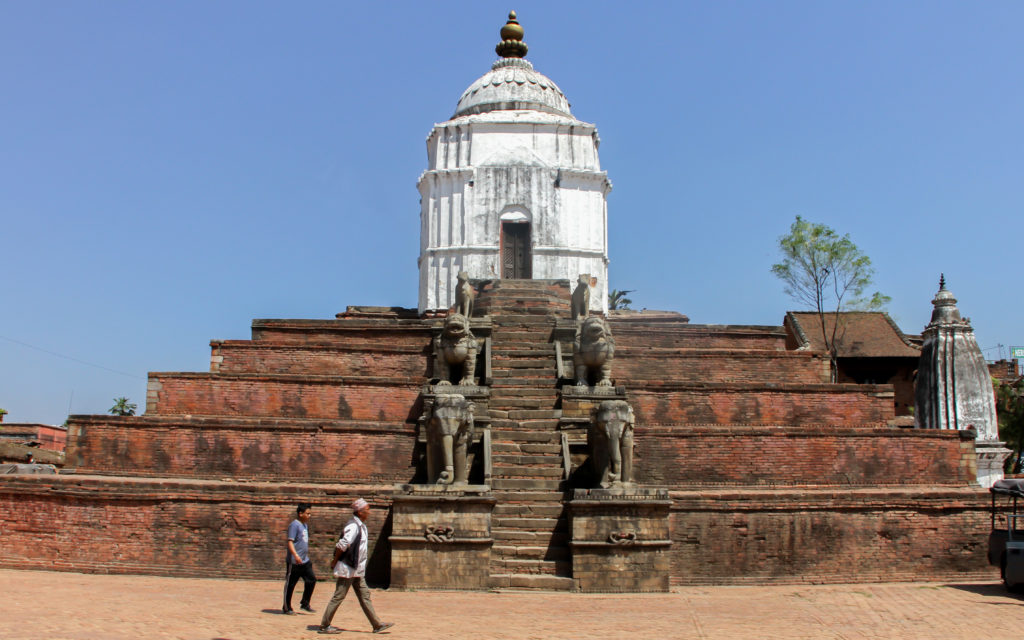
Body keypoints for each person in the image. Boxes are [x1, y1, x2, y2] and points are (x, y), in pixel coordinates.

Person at [318, 498, 394, 635]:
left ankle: (377, 624)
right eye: (367, 509)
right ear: (360, 512)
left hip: (357, 569)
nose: (369, 512)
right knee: (339, 596)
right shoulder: (353, 527)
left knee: (365, 596)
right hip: (348, 568)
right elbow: (342, 544)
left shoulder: (361, 526)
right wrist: (335, 561)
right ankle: (325, 625)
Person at [282, 503, 316, 615]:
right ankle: (287, 607)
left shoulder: (305, 525)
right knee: (291, 584)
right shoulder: (294, 525)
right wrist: (295, 555)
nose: (309, 516)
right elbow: (290, 542)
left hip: (304, 560)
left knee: (311, 580)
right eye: (307, 513)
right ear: (300, 514)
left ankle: (305, 603)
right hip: (294, 561)